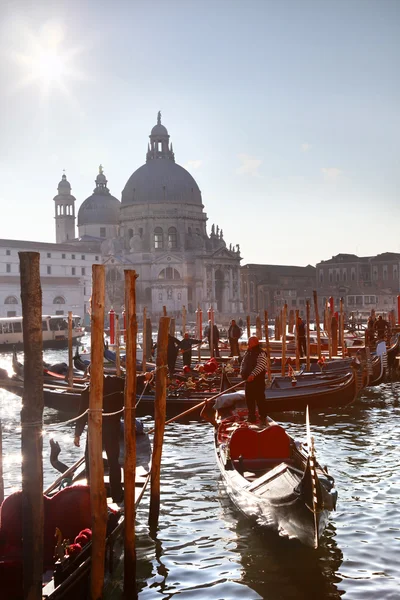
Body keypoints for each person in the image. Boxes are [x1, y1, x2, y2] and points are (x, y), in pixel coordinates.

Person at [74, 373, 151, 504]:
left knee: (97, 461)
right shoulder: (101, 386)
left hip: (103, 428)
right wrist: (145, 377)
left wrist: (77, 434)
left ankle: (95, 492)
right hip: (104, 429)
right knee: (109, 461)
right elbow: (131, 381)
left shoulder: (92, 389)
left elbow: (81, 414)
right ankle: (115, 495)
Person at [240, 336, 267, 423]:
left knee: (260, 399)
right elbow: (244, 362)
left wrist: (252, 375)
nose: (248, 344)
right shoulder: (248, 352)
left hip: (257, 381)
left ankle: (262, 416)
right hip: (248, 381)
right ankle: (251, 417)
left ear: (255, 343)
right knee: (249, 399)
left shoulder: (261, 353)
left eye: (249, 342)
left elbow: (261, 365)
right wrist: (242, 373)